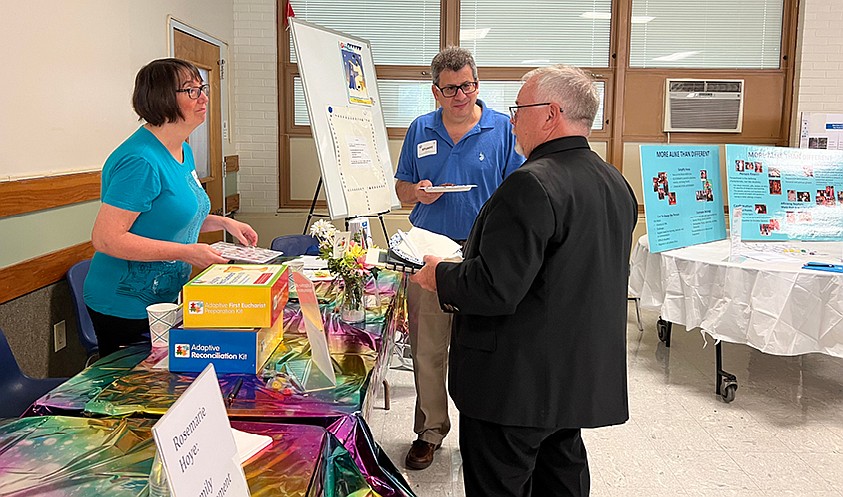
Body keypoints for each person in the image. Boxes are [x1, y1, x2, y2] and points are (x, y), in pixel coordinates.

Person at [412, 64, 637, 496]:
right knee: (562, 482)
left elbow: (495, 287)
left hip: (513, 388)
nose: (512, 118)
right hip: (573, 381)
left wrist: (439, 274)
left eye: (520, 108)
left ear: (551, 113)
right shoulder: (614, 182)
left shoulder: (530, 184)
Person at [393, 46, 524, 470]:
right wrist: (418, 192)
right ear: (436, 91)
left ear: (477, 84)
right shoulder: (420, 129)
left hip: (482, 256)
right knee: (428, 348)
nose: (460, 96)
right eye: (450, 89)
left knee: (485, 348)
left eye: (466, 85)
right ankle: (429, 433)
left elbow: (519, 192)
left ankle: (484, 432)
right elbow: (401, 189)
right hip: (428, 252)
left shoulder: (502, 130)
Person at [83, 58, 258, 358]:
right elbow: (106, 238)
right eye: (191, 90)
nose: (203, 97)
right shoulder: (140, 160)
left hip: (163, 297)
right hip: (124, 302)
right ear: (162, 97)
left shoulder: (183, 150)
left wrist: (223, 223)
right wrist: (187, 252)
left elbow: (170, 215)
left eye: (202, 88)